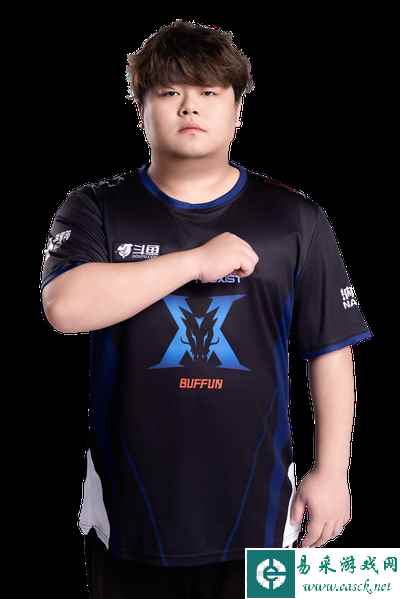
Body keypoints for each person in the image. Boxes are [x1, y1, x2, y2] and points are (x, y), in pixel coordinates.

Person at [40, 19, 373, 599]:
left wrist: (332, 472)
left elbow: (330, 349)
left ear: (238, 109)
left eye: (208, 92)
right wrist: (195, 262)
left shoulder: (294, 218)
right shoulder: (95, 208)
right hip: (128, 517)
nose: (189, 106)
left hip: (262, 514)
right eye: (169, 91)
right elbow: (66, 308)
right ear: (140, 108)